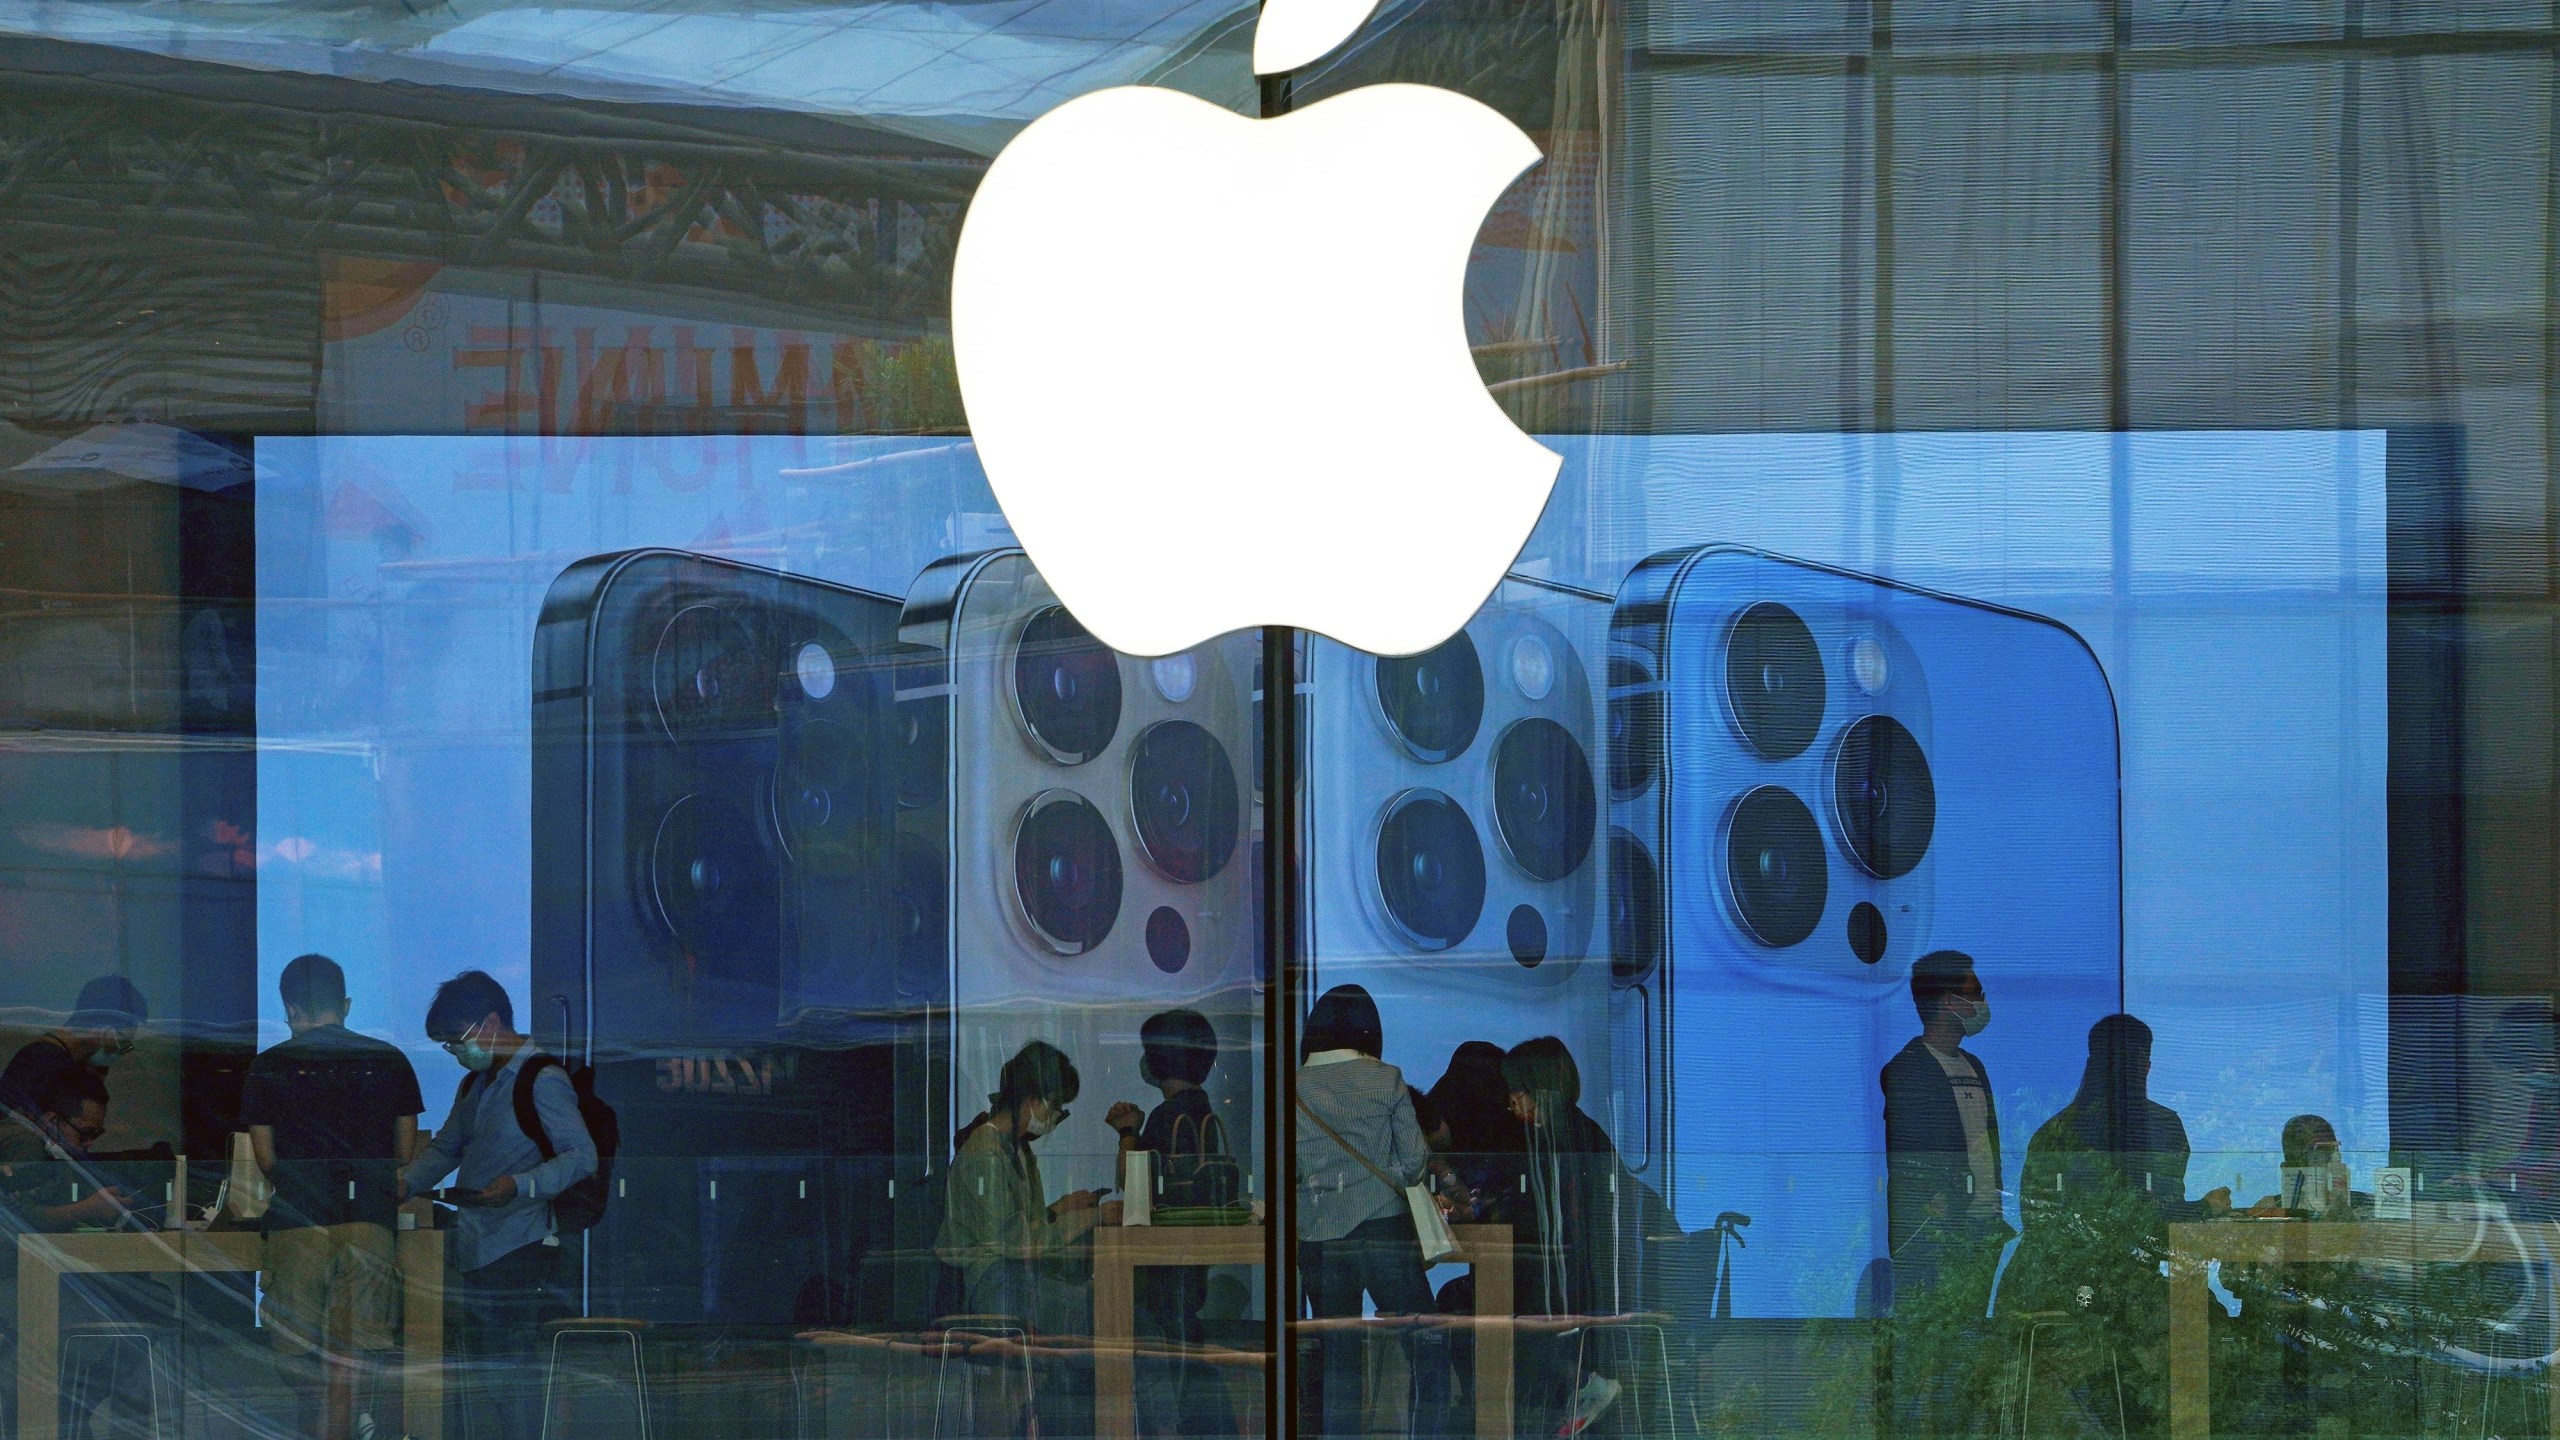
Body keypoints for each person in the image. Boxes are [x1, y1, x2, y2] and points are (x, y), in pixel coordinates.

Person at [399, 971, 597, 1440]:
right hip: (479, 1246)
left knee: (512, 1379)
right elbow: (448, 1147)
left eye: (456, 1041)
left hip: (522, 1248)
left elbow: (583, 1156)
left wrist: (521, 1185)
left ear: (490, 1022)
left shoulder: (541, 1078)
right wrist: (404, 1183)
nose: (455, 1053)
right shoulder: (478, 1085)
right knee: (488, 1380)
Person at [241, 953, 425, 1440]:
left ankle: (321, 1427)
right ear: (345, 1003)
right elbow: (405, 1151)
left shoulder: (269, 1066)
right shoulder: (390, 1060)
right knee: (358, 1346)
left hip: (298, 1222)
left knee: (296, 1347)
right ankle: (350, 1422)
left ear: (290, 1009)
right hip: (368, 1219)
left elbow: (264, 1156)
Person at [939, 1040, 1117, 1438]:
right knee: (1096, 1317)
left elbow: (1019, 1224)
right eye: (1055, 1107)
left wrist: (1060, 1209)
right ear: (1034, 1099)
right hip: (995, 1287)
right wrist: (1094, 1217)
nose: (1054, 1118)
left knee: (1092, 1314)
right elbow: (1019, 1242)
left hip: (1014, 1277)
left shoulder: (1015, 1149)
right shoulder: (986, 1150)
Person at [1294, 984, 1447, 1440]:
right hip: (1383, 1229)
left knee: (1337, 1353)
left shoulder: (1294, 1087)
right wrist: (1385, 1176)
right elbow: (1417, 1160)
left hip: (1320, 1234)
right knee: (1425, 1344)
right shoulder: (1386, 1079)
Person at [1105, 1010, 1235, 1439]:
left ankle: (1183, 1427)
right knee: (1186, 1338)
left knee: (1169, 1342)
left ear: (1160, 1059)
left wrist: (1127, 1132)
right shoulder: (1202, 1110)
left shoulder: (1166, 1116)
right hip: (1194, 1242)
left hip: (1165, 1253)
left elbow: (1133, 1183)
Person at [2, 975, 147, 1121]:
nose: (121, 1052)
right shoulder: (48, 1066)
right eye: (122, 1043)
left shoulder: (46, 1058)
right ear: (102, 1030)